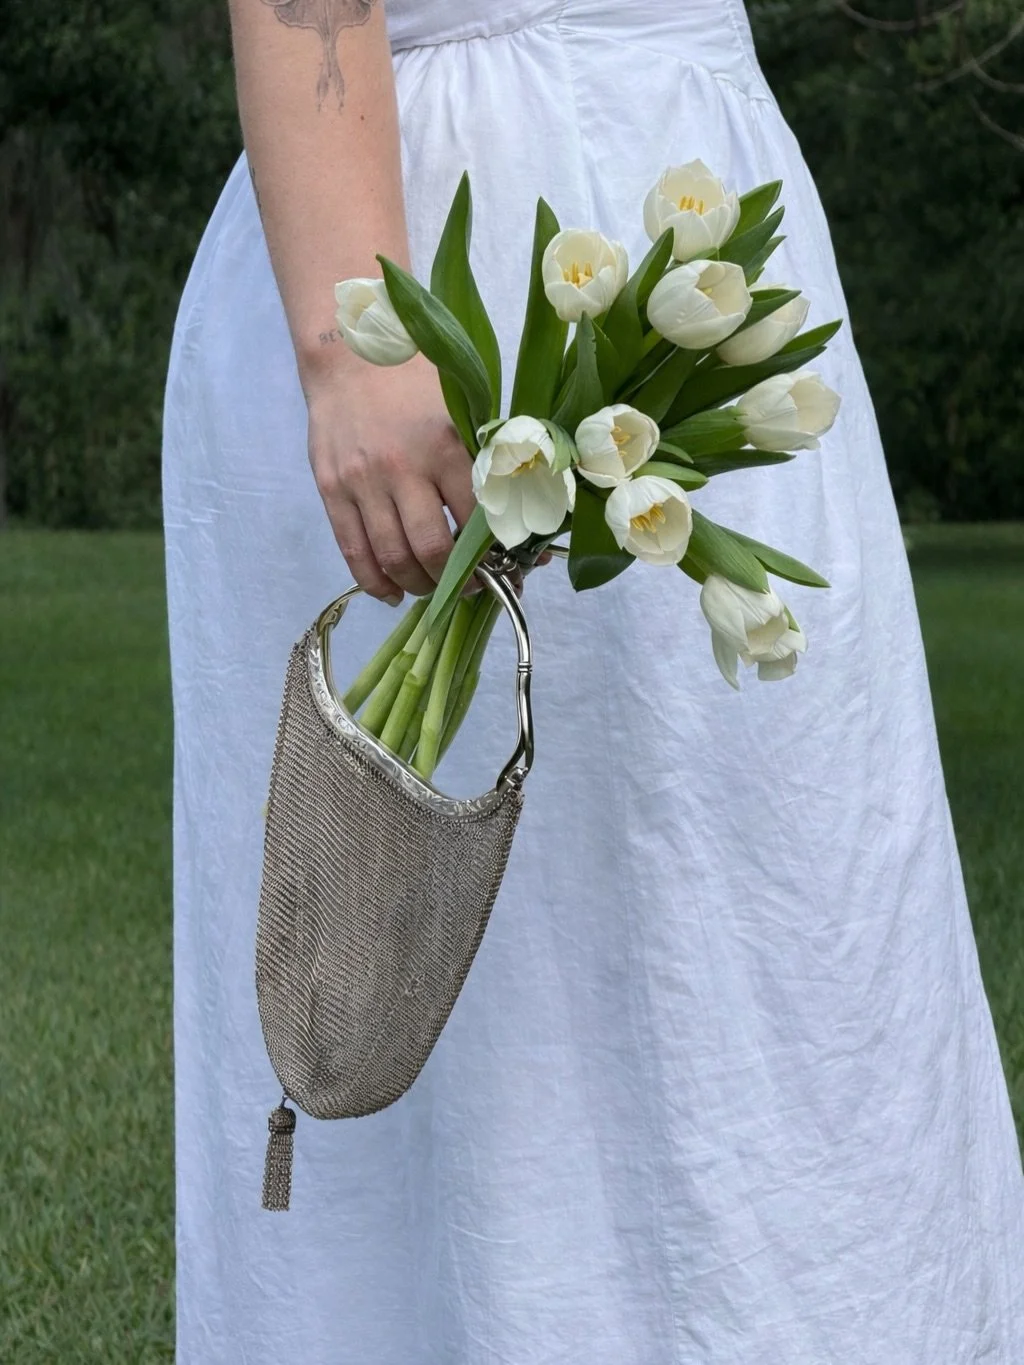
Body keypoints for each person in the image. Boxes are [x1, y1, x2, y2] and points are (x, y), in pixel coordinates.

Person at [161, 1, 1024, 1360]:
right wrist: (352, 332)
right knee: (458, 1005)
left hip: (699, 192)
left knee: (778, 941)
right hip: (428, 240)